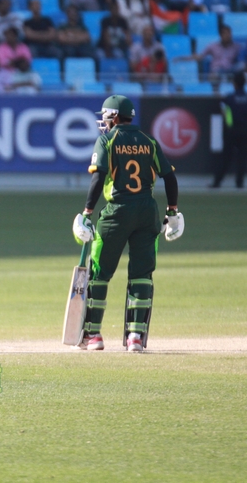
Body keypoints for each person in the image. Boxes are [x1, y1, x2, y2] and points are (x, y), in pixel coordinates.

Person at [71, 94, 183, 353]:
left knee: (99, 273)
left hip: (116, 213)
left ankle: (93, 335)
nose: (104, 120)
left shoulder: (107, 140)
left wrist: (87, 212)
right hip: (147, 213)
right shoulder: (149, 141)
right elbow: (169, 177)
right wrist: (173, 211)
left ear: (113, 116)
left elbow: (98, 179)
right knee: (142, 275)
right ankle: (135, 337)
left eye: (105, 115)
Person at [211, 72, 247, 188]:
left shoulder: (229, 99)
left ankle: (217, 182)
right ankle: (239, 183)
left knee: (226, 157)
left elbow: (222, 109)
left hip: (232, 130)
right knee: (243, 157)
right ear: (244, 83)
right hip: (245, 130)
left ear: (234, 84)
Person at [176, 25, 241, 81]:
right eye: (225, 33)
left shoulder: (236, 47)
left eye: (229, 33)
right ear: (220, 35)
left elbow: (245, 56)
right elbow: (200, 57)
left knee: (240, 67)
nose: (228, 35)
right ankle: (214, 93)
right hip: (217, 71)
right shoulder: (213, 46)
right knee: (214, 75)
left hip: (230, 71)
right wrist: (181, 58)